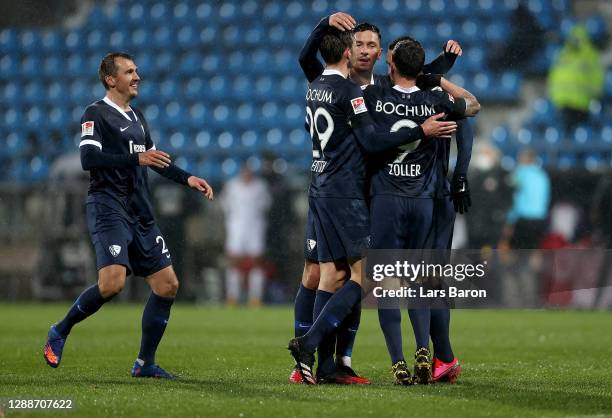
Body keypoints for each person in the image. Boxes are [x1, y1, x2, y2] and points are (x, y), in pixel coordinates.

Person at [290, 11, 462, 385]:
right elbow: (307, 60)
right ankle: (310, 357)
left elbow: (413, 74)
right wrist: (323, 23)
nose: (364, 50)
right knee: (325, 273)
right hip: (343, 191)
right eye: (358, 44)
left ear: (382, 53)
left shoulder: (376, 86)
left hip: (352, 190)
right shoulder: (348, 90)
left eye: (371, 44)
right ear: (347, 49)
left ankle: (337, 360)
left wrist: (443, 63)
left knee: (344, 275)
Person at [43, 52, 214, 379]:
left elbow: (154, 159)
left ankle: (144, 363)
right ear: (111, 79)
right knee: (112, 284)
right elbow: (89, 158)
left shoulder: (137, 117)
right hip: (109, 208)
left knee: (167, 285)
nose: (137, 76)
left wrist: (187, 178)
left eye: (136, 70)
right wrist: (136, 160)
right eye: (129, 72)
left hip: (140, 212)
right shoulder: (96, 113)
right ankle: (60, 330)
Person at [364, 37, 479, 384]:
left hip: (387, 197)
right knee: (426, 282)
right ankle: (432, 351)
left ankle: (404, 360)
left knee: (387, 282)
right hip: (428, 199)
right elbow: (471, 108)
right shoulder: (436, 99)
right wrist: (438, 77)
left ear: (390, 62)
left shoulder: (375, 93)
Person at [220, 164, 271, 306]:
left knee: (257, 261)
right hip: (236, 227)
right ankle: (233, 296)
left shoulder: (261, 186)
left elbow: (266, 205)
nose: (247, 174)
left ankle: (255, 297)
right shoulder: (232, 186)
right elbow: (225, 205)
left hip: (255, 227)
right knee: (234, 261)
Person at [548, 24, 604, 133]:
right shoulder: (563, 54)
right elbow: (553, 76)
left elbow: (597, 81)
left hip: (581, 105)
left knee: (579, 134)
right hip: (561, 103)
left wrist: (593, 95)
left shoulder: (590, 56)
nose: (575, 40)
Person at [500, 148, 550, 249]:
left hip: (523, 220)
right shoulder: (543, 175)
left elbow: (511, 195)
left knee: (517, 251)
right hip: (540, 219)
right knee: (534, 250)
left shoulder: (520, 173)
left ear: (525, 159)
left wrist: (509, 221)